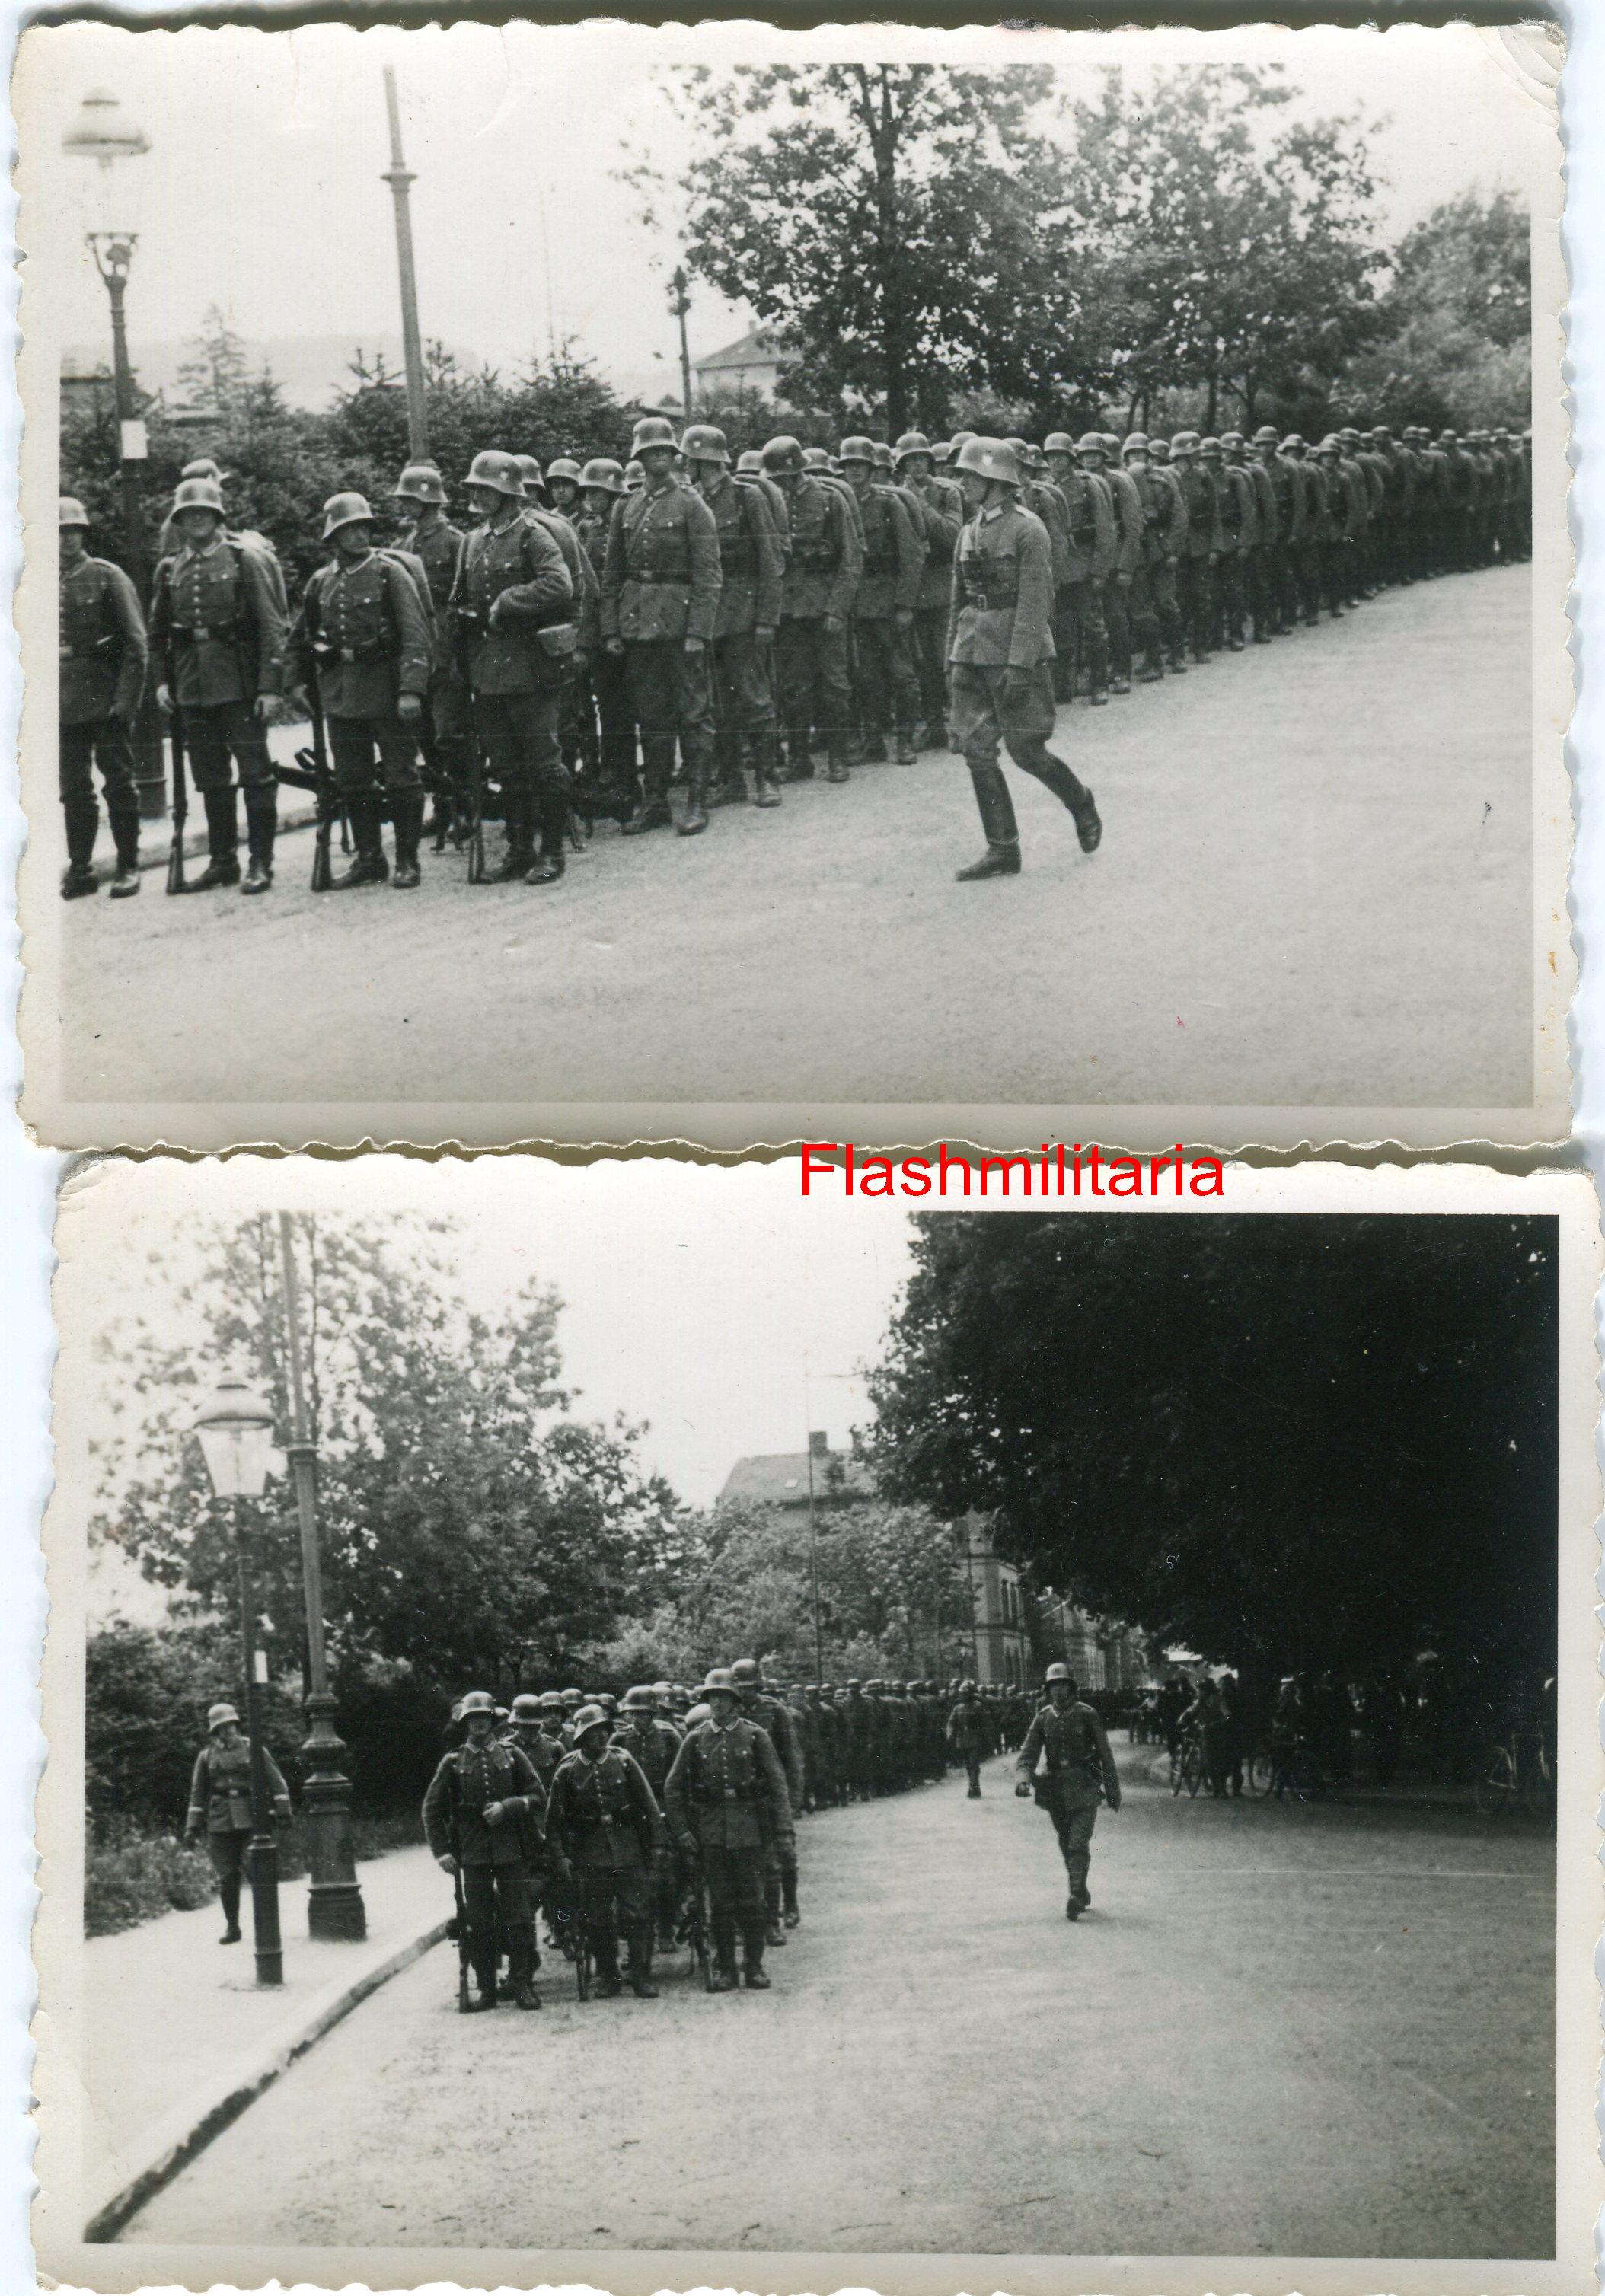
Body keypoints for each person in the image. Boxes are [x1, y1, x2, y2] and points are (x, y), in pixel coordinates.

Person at [946, 435, 1102, 883]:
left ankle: (1080, 801)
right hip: (972, 654)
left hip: (1016, 656)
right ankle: (1003, 849)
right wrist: (951, 657)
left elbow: (1036, 604)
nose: (961, 483)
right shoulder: (967, 532)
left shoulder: (1028, 529)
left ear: (995, 479)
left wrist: (1019, 665)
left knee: (1027, 751)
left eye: (969, 475)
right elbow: (960, 601)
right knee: (977, 751)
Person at [149, 474, 288, 894]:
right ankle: (222, 861)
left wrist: (270, 687)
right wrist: (161, 683)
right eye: (188, 514)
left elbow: (271, 628)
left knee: (255, 775)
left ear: (217, 516)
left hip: (239, 684)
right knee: (210, 779)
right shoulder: (171, 567)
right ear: (179, 520)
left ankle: (260, 863)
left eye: (204, 513)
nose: (197, 520)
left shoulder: (244, 560)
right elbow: (158, 635)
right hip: (192, 687)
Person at [288, 493, 433, 888]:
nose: (358, 535)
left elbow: (416, 635)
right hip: (340, 692)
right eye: (348, 529)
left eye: (363, 527)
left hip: (386, 689)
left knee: (402, 776)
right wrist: (297, 682)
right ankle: (370, 859)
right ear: (333, 536)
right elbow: (303, 637)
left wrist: (411, 690)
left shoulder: (390, 573)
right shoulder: (322, 581)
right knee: (353, 779)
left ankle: (407, 860)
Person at [448, 448, 576, 885]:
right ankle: (519, 849)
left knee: (544, 761)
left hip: (529, 664)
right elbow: (459, 598)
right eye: (476, 489)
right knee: (504, 764)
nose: (479, 497)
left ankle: (552, 851)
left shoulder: (533, 535)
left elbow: (560, 584)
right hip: (487, 669)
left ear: (507, 493)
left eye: (487, 490)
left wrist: (509, 601)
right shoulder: (473, 541)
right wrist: (460, 621)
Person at [599, 416, 723, 838]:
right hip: (638, 626)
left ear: (674, 457)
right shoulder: (625, 506)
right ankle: (654, 801)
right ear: (639, 457)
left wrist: (698, 632)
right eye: (650, 452)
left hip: (680, 623)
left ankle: (696, 801)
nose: (658, 458)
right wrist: (612, 629)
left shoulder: (692, 505)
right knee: (651, 717)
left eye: (664, 452)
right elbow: (612, 574)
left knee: (693, 713)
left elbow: (709, 576)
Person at [664, 1667, 793, 1991]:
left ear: (735, 1700)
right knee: (720, 1903)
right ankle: (725, 1967)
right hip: (711, 1833)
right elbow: (673, 1787)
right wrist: (681, 1830)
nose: (718, 1703)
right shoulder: (696, 1738)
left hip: (750, 1830)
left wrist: (783, 1832)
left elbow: (778, 1785)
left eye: (723, 1697)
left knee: (752, 1902)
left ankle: (753, 1965)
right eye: (712, 1698)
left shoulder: (754, 1735)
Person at [423, 1689, 548, 2010]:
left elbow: (537, 1796)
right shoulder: (453, 1762)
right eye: (473, 1719)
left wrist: (508, 1808)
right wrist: (442, 1852)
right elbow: (432, 1809)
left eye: (484, 1719)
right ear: (465, 1724)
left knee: (519, 1918)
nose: (479, 1724)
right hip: (473, 1853)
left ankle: (521, 1983)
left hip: (511, 1849)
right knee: (478, 1922)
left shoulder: (512, 1755)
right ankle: (488, 1989)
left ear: (493, 1722)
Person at [683, 423, 785, 809]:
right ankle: (731, 780)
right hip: (707, 618)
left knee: (754, 699)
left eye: (689, 460)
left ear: (702, 460)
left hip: (743, 614)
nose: (685, 466)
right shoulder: (691, 499)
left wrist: (766, 619)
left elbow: (771, 561)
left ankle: (766, 777)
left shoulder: (748, 498)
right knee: (717, 702)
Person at [57, 496, 148, 900]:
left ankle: (129, 864)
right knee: (74, 788)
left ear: (84, 533)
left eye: (74, 531)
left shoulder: (107, 576)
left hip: (105, 697)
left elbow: (136, 645)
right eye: (59, 532)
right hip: (60, 703)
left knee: (119, 783)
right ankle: (81, 868)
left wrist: (126, 702)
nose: (66, 540)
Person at [546, 1701, 668, 1999]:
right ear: (581, 1737)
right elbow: (554, 1821)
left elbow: (650, 1806)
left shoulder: (624, 1761)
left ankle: (641, 1974)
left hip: (628, 1850)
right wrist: (560, 1855)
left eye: (603, 1731)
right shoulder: (567, 1770)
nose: (599, 1738)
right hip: (589, 1854)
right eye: (592, 1733)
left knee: (638, 1913)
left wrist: (657, 1844)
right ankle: (608, 1975)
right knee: (597, 1918)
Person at [763, 434, 862, 786]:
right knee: (793, 686)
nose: (778, 485)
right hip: (788, 609)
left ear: (796, 472)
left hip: (824, 607)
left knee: (835, 684)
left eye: (782, 478)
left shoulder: (830, 499)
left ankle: (838, 755)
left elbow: (851, 561)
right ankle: (800, 758)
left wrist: (837, 609)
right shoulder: (770, 501)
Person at [392, 461, 471, 843]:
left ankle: (466, 807)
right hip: (417, 653)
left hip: (448, 651)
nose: (406, 506)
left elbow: (467, 598)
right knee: (424, 736)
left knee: (451, 735)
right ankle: (443, 808)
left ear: (428, 499)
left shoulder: (456, 542)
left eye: (411, 499)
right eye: (404, 500)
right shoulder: (402, 546)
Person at [839, 435, 924, 766]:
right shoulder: (842, 504)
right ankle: (873, 740)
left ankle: (904, 741)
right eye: (849, 466)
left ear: (872, 469)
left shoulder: (889, 504)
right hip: (857, 605)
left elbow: (912, 556)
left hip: (888, 603)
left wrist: (905, 605)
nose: (854, 471)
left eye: (860, 465)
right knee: (865, 676)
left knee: (901, 674)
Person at [1014, 1663, 1121, 1919]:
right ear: (1047, 1689)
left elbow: (1105, 1754)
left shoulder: (1087, 1714)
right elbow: (1028, 1753)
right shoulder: (1043, 1717)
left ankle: (1074, 1895)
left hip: (1084, 1786)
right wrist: (1023, 1779)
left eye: (1062, 1685)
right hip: (1054, 1790)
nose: (1058, 1691)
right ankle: (1080, 1888)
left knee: (1077, 1843)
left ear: (1071, 1687)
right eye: (1053, 1686)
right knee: (1066, 1843)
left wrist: (1112, 1789)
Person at [183, 1701, 293, 1945]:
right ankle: (233, 1927)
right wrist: (192, 1826)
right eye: (222, 1728)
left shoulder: (253, 1750)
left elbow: (276, 1781)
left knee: (257, 1872)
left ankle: (266, 1927)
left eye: (231, 1726)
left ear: (237, 1725)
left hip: (251, 1819)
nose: (228, 1731)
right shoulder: (206, 1756)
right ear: (215, 1732)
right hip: (220, 1822)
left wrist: (283, 1811)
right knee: (227, 1877)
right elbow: (198, 1793)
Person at [892, 431, 963, 746]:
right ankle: (934, 725)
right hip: (911, 587)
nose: (917, 466)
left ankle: (960, 726)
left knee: (948, 658)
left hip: (942, 582)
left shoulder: (948, 493)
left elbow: (951, 535)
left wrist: (918, 503)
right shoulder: (893, 495)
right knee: (922, 663)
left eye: (921, 459)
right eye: (910, 461)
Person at [730, 1657, 805, 1935]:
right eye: (741, 1687)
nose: (745, 1692)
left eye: (750, 1687)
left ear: (759, 1685)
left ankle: (788, 1908)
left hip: (771, 1797)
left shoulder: (775, 1712)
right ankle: (760, 1919)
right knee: (752, 1863)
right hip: (744, 1800)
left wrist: (793, 1802)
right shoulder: (731, 1712)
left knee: (782, 1856)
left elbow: (793, 1760)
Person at [946, 1679, 990, 1797]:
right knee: (968, 1764)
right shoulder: (957, 1708)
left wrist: (986, 1739)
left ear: (971, 1694)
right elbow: (951, 1722)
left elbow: (985, 1724)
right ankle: (975, 1785)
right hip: (962, 1740)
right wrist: (950, 1734)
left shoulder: (978, 1707)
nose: (963, 1695)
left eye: (966, 1693)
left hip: (975, 1739)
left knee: (973, 1764)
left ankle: (973, 1787)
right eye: (962, 1693)